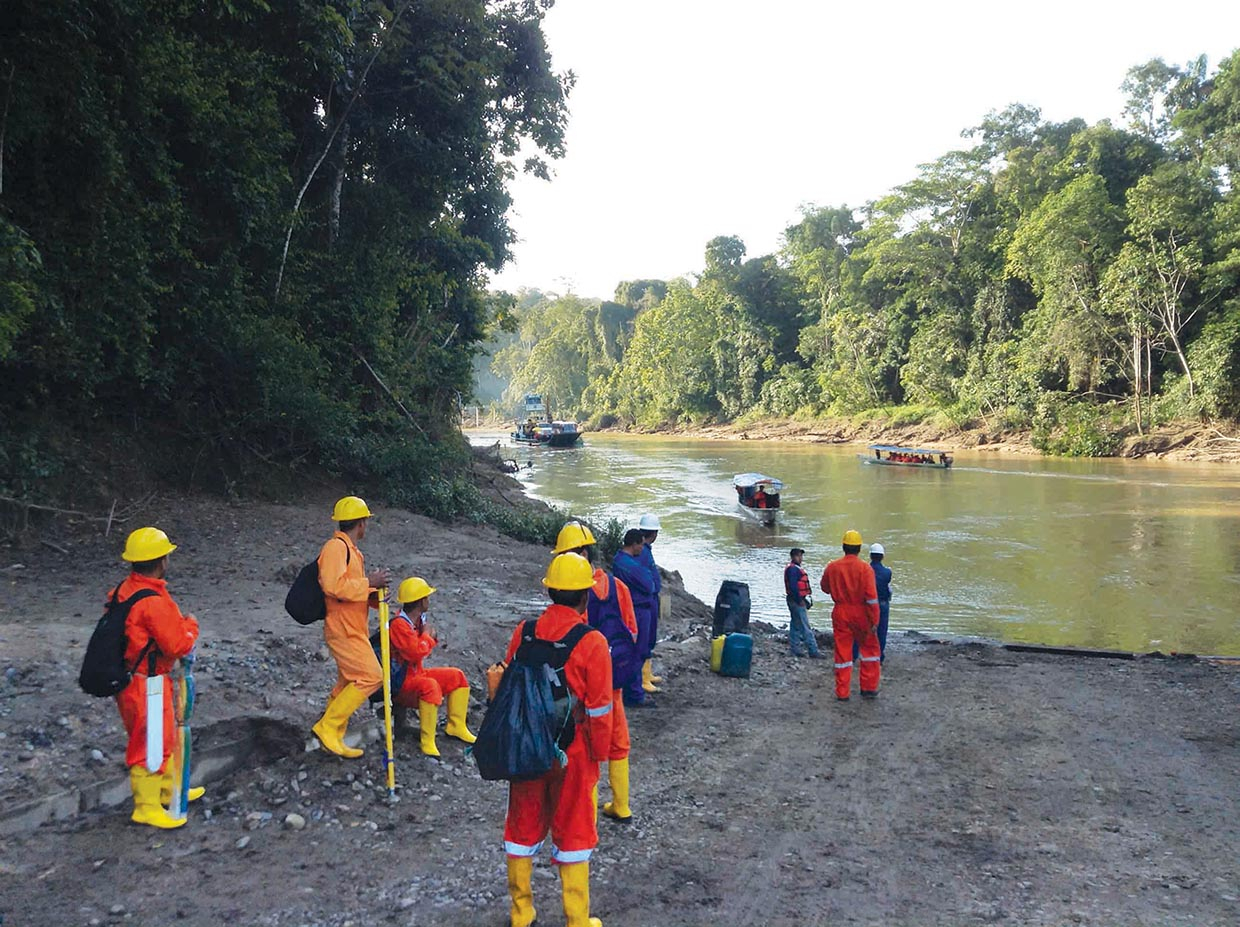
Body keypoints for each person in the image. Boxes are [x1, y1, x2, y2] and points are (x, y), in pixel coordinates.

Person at [503, 553, 613, 927]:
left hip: (526, 746)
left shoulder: (525, 631)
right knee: (575, 830)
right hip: (574, 752)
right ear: (586, 597)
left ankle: (521, 914)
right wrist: (598, 755)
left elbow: (511, 686)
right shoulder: (592, 642)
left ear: (550, 591)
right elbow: (600, 710)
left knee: (521, 824)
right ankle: (577, 920)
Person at [112, 527, 201, 829]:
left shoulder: (126, 590)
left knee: (159, 736)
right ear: (162, 560)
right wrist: (191, 627)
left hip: (132, 679)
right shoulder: (153, 601)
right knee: (149, 743)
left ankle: (166, 788)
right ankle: (147, 806)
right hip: (147, 682)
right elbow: (177, 644)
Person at [552, 522, 640, 823]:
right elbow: (632, 631)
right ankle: (621, 805)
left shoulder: (575, 592)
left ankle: (586, 815)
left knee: (585, 748)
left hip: (580, 686)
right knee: (618, 740)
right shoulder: (619, 587)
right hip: (613, 680)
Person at [312, 496, 391, 758]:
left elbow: (349, 590)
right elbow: (333, 587)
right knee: (371, 676)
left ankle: (334, 735)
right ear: (361, 523)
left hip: (352, 626)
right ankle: (328, 727)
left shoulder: (353, 551)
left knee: (346, 683)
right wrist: (369, 581)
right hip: (343, 629)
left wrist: (372, 594)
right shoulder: (335, 548)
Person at [388, 576, 475, 757]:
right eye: (426, 597)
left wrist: (426, 635)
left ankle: (456, 725)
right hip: (402, 682)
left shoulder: (416, 620)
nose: (429, 600)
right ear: (421, 601)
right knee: (430, 686)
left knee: (456, 677)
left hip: (416, 673)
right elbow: (414, 652)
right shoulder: (399, 625)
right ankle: (427, 740)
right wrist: (427, 636)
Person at [821, 530, 881, 701]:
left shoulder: (832, 567)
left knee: (842, 653)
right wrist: (874, 620)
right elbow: (871, 598)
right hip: (862, 613)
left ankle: (842, 692)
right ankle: (868, 688)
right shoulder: (865, 569)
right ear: (859, 548)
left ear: (843, 547)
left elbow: (825, 588)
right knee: (870, 650)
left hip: (841, 612)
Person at [612, 528, 656, 708]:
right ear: (635, 544)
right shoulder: (627, 564)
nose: (642, 550)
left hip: (636, 608)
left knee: (635, 650)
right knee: (637, 651)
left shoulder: (621, 561)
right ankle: (634, 694)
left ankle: (633, 691)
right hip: (637, 610)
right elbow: (649, 583)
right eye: (640, 546)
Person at [852, 543, 892, 664]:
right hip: (882, 604)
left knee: (860, 630)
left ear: (870, 555)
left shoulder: (863, 570)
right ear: (882, 556)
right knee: (881, 631)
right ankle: (879, 657)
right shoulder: (887, 572)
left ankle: (854, 654)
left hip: (865, 604)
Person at [637, 513, 663, 694]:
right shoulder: (643, 553)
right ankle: (643, 677)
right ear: (653, 533)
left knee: (650, 634)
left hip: (651, 598)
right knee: (644, 637)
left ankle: (648, 672)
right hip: (647, 599)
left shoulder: (645, 551)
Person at [784, 548, 820, 658]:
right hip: (796, 601)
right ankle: (813, 650)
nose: (800, 558)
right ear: (793, 557)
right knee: (805, 626)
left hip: (793, 600)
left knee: (795, 624)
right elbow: (794, 587)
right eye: (798, 556)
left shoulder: (793, 568)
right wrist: (800, 600)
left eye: (801, 556)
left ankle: (795, 649)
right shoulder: (793, 570)